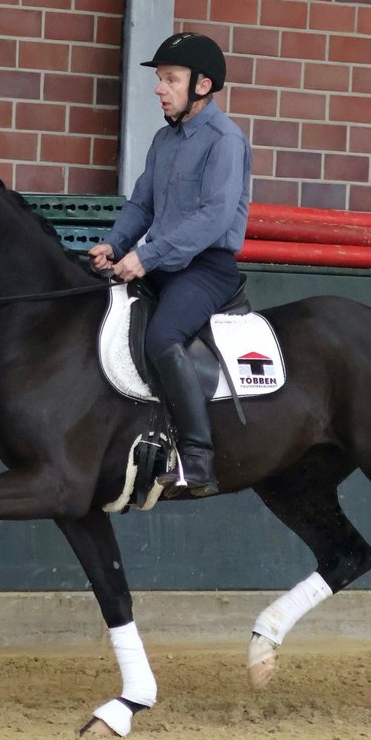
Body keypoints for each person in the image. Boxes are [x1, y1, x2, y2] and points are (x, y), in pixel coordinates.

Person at [89, 32, 252, 498]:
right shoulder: (164, 139)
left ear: (202, 86)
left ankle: (199, 457)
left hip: (206, 269)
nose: (160, 89)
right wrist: (115, 244)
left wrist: (147, 255)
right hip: (161, 262)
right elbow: (141, 203)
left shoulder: (225, 140)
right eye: (160, 79)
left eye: (170, 79)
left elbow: (213, 217)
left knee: (162, 336)